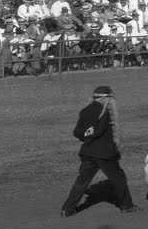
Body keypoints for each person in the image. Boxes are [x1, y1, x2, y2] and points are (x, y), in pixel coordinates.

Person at [60, 85, 140, 216]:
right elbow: (99, 130)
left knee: (82, 181)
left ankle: (67, 209)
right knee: (119, 178)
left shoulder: (85, 110)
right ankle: (126, 205)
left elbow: (77, 132)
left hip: (87, 151)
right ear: (105, 98)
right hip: (104, 153)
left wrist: (87, 138)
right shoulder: (105, 111)